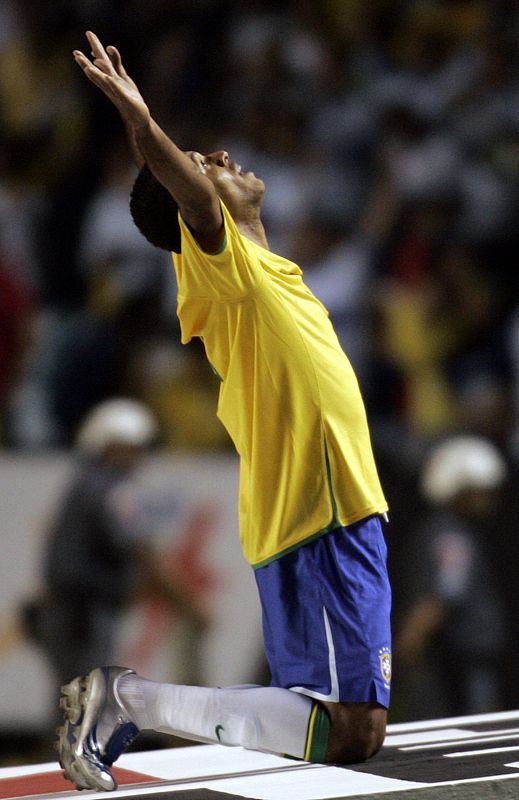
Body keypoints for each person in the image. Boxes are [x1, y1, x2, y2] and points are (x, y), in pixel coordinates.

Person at [57, 31, 392, 791]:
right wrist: (142, 125)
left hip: (325, 505)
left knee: (342, 726)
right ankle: (125, 699)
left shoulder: (264, 267)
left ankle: (123, 701)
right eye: (208, 163)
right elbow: (193, 198)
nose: (226, 159)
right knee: (350, 729)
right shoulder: (218, 269)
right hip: (318, 504)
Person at [23, 397, 207, 734]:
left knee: (72, 696)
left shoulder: (82, 484)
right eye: (129, 448)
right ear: (108, 446)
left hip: (68, 609)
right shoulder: (112, 489)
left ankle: (63, 765)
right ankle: (75, 766)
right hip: (84, 612)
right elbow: (143, 550)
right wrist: (188, 604)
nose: (137, 457)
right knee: (87, 697)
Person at [395, 435, 507, 719]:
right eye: (477, 492)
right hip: (454, 666)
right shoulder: (451, 537)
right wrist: (407, 646)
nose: (488, 500)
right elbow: (441, 596)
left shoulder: (454, 531)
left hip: (463, 661)